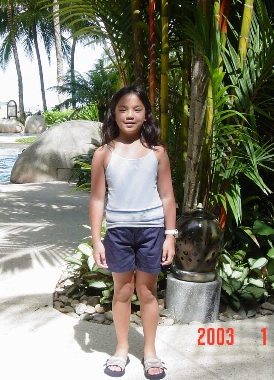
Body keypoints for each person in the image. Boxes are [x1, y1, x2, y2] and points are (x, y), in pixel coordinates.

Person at [89, 85, 176, 379]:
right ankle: (122, 348)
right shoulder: (103, 153)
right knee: (123, 291)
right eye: (123, 109)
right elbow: (97, 199)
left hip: (151, 231)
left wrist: (170, 235)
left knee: (148, 292)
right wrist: (97, 240)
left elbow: (167, 196)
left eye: (137, 109)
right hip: (118, 233)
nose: (130, 115)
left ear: (146, 114)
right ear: (113, 114)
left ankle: (150, 351)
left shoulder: (157, 152)